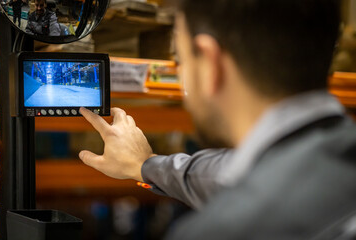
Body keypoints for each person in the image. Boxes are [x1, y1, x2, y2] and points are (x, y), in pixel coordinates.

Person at [79, 0, 356, 238]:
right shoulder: (328, 157)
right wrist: (145, 165)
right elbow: (225, 172)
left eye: (183, 62)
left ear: (212, 65)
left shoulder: (222, 232)